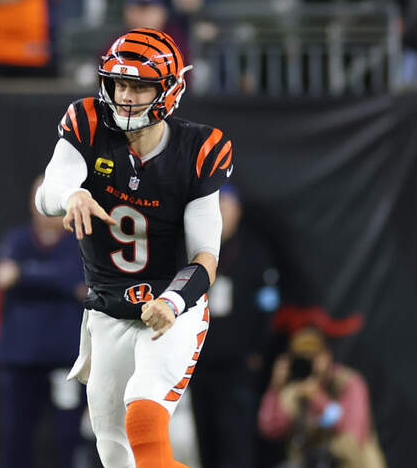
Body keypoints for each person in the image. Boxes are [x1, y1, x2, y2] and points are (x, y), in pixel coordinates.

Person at [34, 28, 232, 467]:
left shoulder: (198, 149)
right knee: (114, 452)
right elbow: (48, 192)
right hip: (108, 309)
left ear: (169, 89)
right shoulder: (87, 122)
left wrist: (172, 301)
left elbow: (206, 257)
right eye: (120, 83)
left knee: (143, 413)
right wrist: (72, 195)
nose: (125, 96)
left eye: (139, 87)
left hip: (171, 306)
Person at [0, 177, 88, 468]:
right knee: (15, 438)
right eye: (42, 198)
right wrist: (61, 283)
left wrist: (23, 274)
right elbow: (2, 277)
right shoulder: (16, 239)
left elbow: (79, 279)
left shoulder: (83, 242)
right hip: (21, 360)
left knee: (68, 438)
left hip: (66, 361)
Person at [187, 185, 277, 468]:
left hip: (238, 366)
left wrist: (257, 352)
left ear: (237, 209)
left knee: (236, 442)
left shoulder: (254, 253)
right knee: (206, 442)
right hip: (199, 364)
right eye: (215, 207)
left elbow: (268, 306)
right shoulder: (194, 250)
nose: (221, 213)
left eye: (225, 205)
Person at [259, 328, 387, 468]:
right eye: (304, 358)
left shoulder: (348, 382)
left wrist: (317, 398)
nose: (311, 364)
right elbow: (270, 429)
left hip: (349, 462)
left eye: (314, 356)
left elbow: (353, 432)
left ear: (327, 356)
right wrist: (275, 388)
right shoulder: (294, 391)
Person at [122, 0, 190, 61]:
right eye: (135, 10)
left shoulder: (177, 42)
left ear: (163, 12)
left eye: (148, 10)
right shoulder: (118, 44)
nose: (142, 17)